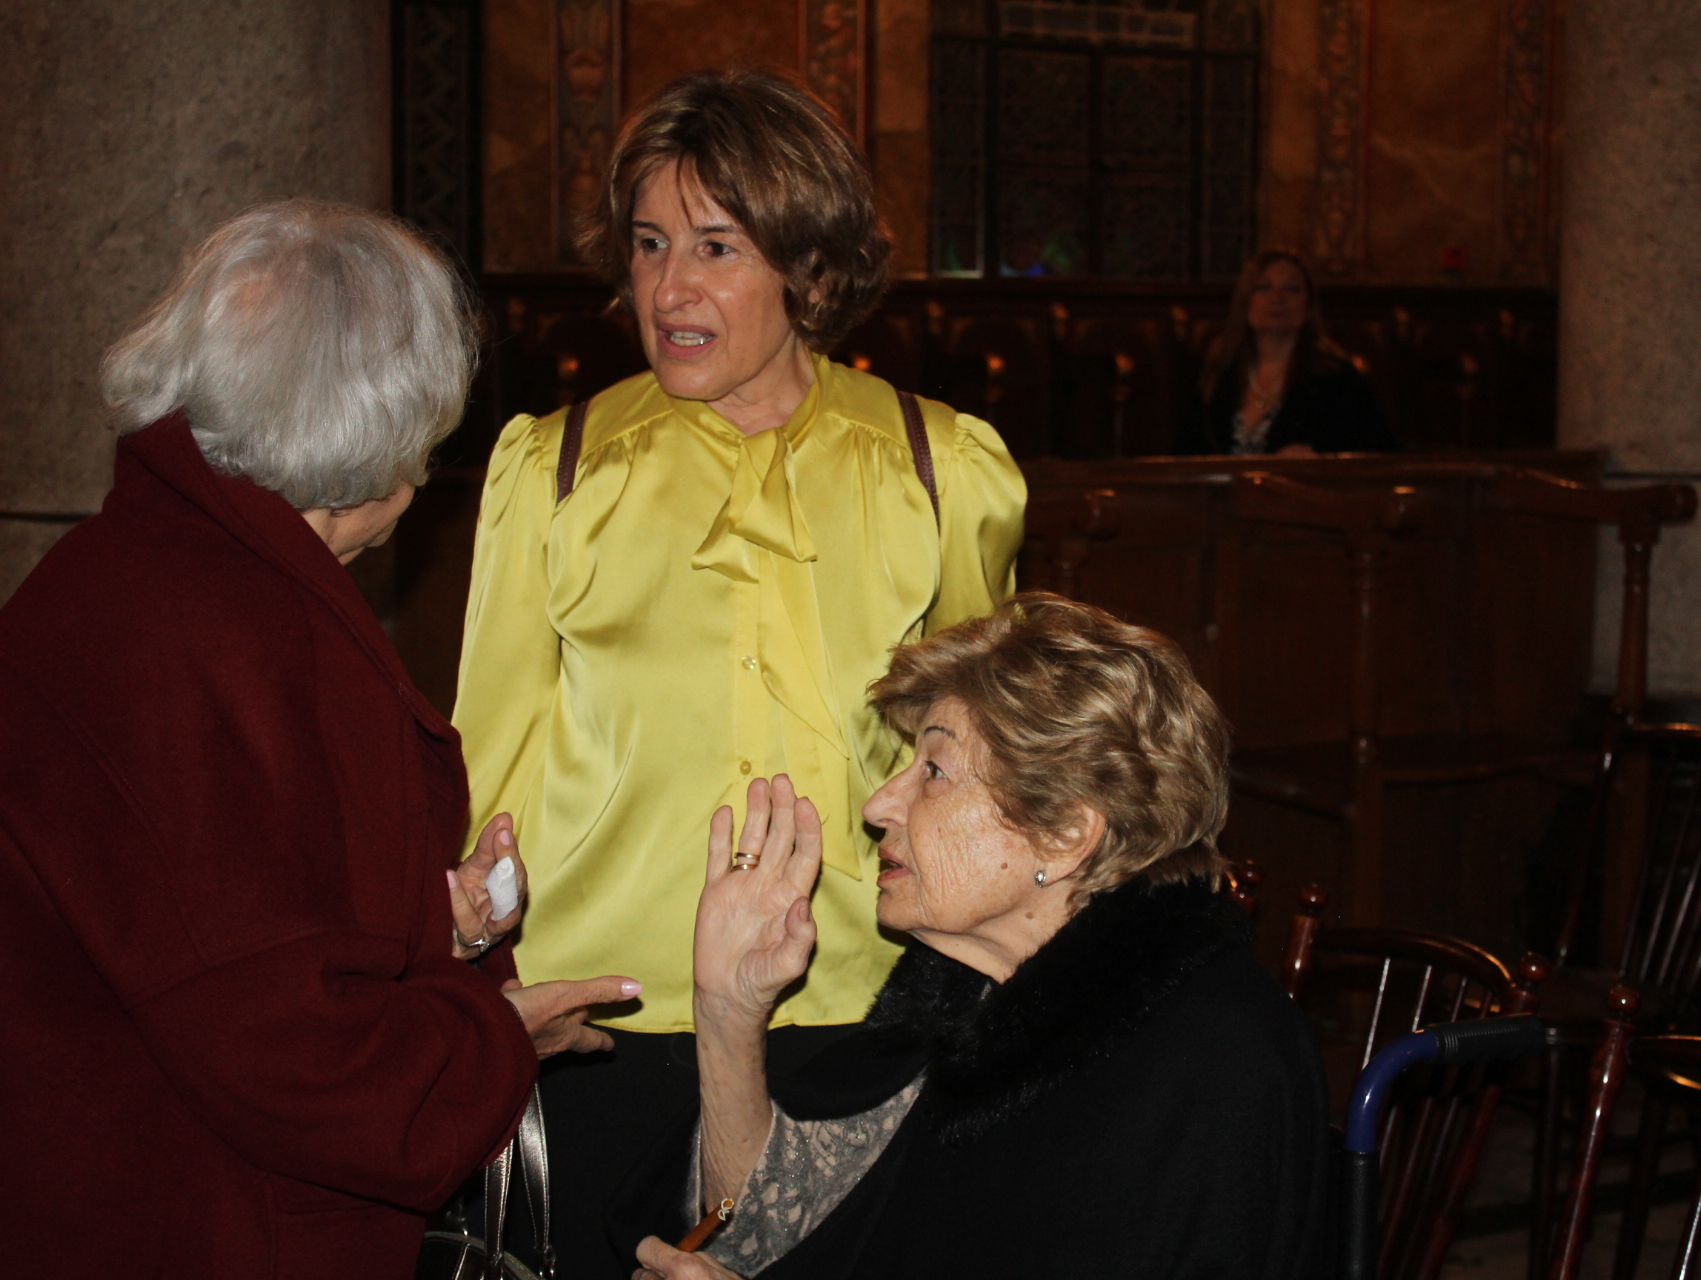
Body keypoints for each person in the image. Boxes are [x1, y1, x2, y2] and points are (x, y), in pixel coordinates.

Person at [452, 69, 1026, 1276]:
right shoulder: (554, 471)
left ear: (806, 267)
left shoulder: (941, 469)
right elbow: (489, 763)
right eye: (649, 243)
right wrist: (470, 970)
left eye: (715, 246)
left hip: (860, 1004)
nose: (669, 289)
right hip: (604, 1015)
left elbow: (985, 771)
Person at [0, 200, 639, 1279]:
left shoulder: (108, 571)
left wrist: (430, 923)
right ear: (385, 436)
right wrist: (493, 1041)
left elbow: (207, 916)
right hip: (193, 1217)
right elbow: (289, 1050)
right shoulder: (242, 636)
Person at [621, 594, 1330, 1280]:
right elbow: (770, 1222)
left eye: (934, 770)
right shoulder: (971, 998)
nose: (879, 806)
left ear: (1065, 832)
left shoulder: (1206, 1063)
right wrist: (728, 1010)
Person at [1179, 249, 1395, 456]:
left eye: (1292, 289)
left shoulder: (1337, 380)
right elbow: (1184, 453)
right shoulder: (1217, 371)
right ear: (1245, 301)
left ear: (1308, 304)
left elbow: (1379, 453)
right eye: (1263, 287)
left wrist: (1320, 460)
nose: (1277, 298)